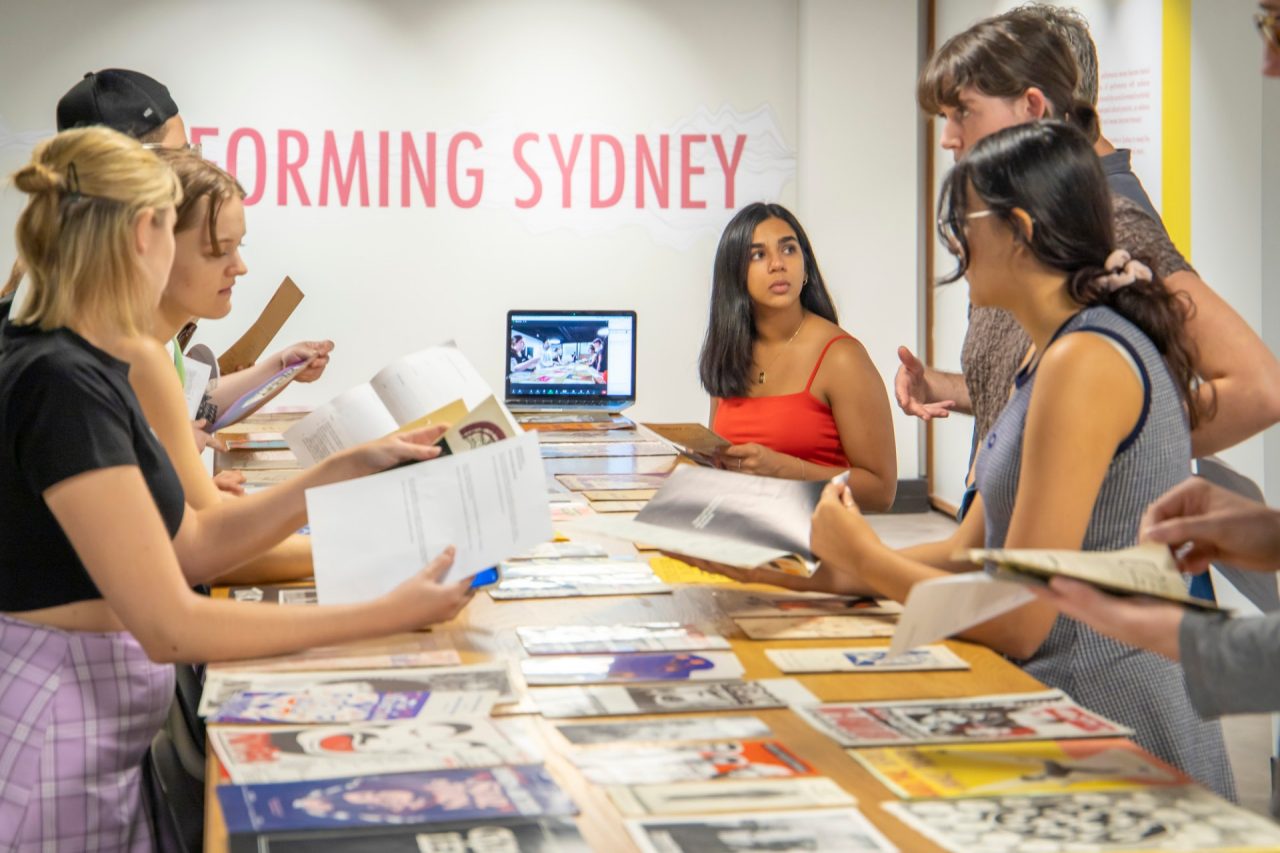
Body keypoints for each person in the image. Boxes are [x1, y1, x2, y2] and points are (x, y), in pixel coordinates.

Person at [688, 122, 1235, 797]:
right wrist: (811, 576)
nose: (952, 245)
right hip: (1061, 706)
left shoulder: (1087, 361)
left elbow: (1024, 614)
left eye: (961, 222)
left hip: (1118, 725)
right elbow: (971, 550)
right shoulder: (1046, 354)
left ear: (1020, 230)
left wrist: (866, 561)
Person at [0, 126, 475, 849]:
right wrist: (380, 612)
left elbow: (192, 544)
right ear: (143, 235)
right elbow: (171, 623)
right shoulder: (59, 380)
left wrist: (338, 471)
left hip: (94, 740)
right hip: (53, 743)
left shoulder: (95, 360)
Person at [893, 10, 1280, 485]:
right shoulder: (1026, 225)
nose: (949, 138)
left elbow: (1258, 388)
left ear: (1033, 106)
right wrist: (939, 385)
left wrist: (1103, 449)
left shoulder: (1112, 223)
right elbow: (1034, 398)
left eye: (963, 113)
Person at [1029, 0, 1280, 720]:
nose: (1265, 63)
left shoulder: (1117, 221)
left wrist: (1136, 435)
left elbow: (1258, 387)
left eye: (1273, 27)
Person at [5, 68, 336, 454]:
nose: (237, 267)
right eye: (217, 249)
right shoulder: (75, 344)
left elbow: (184, 405)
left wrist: (278, 368)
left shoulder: (112, 311)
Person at [128, 149, 310, 580]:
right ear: (151, 243)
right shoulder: (136, 357)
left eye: (238, 247)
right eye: (217, 250)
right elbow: (207, 548)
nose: (240, 267)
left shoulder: (155, 348)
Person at [699, 202, 897, 509]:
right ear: (734, 275)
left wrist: (787, 470)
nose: (778, 264)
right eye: (758, 254)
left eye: (789, 249)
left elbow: (880, 492)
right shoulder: (729, 354)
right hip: (736, 528)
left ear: (806, 267)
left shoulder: (842, 357)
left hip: (812, 541)